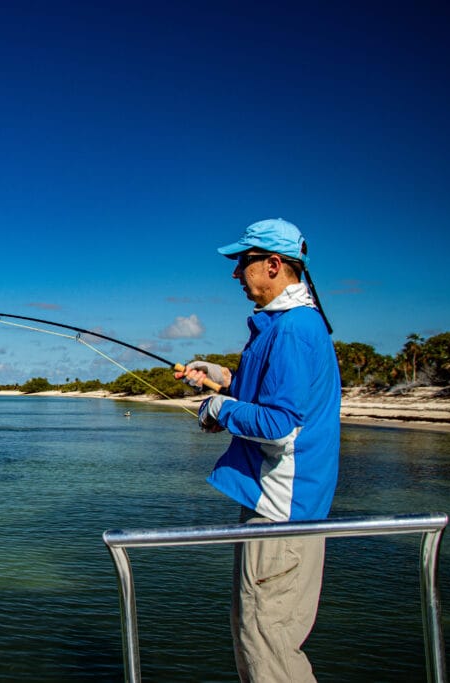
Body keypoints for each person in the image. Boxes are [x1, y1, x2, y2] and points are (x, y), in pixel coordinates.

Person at [175, 218, 341, 682]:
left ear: (272, 265)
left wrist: (218, 408)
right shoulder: (295, 325)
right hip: (289, 507)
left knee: (267, 646)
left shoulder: (290, 329)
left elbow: (279, 424)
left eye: (242, 263)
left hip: (282, 512)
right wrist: (222, 376)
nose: (235, 275)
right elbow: (274, 395)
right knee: (264, 637)